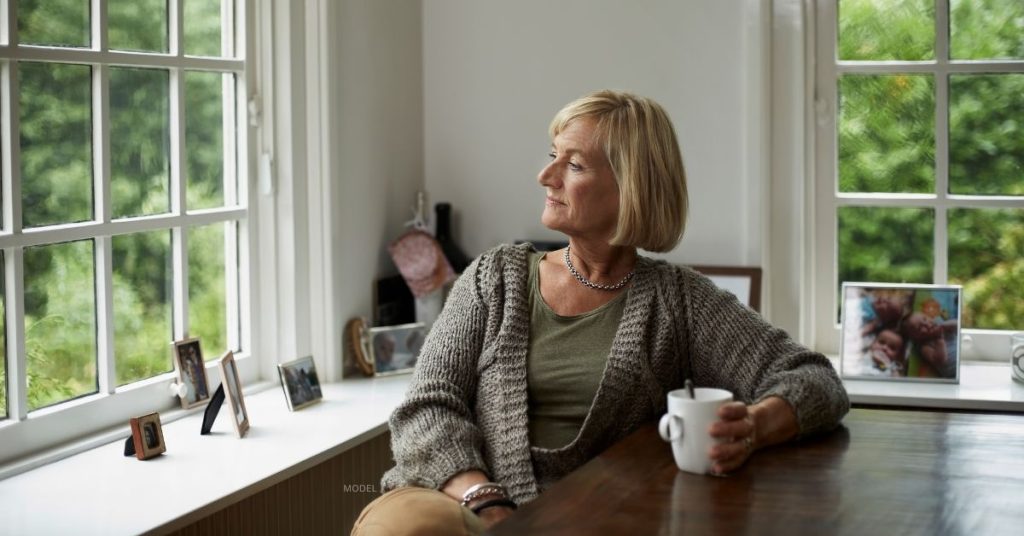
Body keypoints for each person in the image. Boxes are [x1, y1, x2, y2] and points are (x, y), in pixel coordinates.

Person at [351, 90, 850, 535]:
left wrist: (755, 427)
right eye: (553, 156)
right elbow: (426, 408)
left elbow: (815, 379)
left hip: (598, 517)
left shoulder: (679, 300)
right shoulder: (494, 278)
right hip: (463, 506)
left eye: (574, 165)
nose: (545, 175)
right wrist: (489, 503)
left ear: (632, 186)